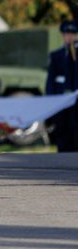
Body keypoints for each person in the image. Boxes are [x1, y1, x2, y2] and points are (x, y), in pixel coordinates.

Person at [46, 19, 78, 152]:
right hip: (60, 100)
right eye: (67, 34)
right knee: (62, 131)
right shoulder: (56, 55)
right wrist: (49, 101)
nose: (69, 37)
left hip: (76, 101)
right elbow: (50, 80)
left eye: (72, 34)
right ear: (63, 36)